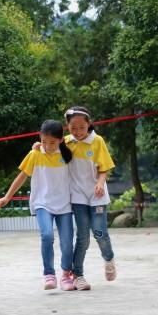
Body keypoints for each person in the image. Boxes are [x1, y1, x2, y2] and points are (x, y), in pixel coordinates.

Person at [0, 120, 75, 291]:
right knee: (47, 235)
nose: (48, 146)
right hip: (42, 203)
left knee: (67, 242)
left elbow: (79, 136)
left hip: (64, 204)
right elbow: (22, 177)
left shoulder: (67, 152)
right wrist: (7, 197)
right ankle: (49, 274)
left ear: (61, 140)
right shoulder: (35, 154)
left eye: (52, 142)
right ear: (40, 138)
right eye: (44, 141)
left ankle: (67, 274)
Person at [64, 106, 117, 290]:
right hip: (77, 196)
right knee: (83, 237)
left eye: (81, 127)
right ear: (68, 127)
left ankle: (109, 258)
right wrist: (37, 146)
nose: (78, 132)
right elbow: (48, 148)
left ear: (89, 124)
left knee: (100, 233)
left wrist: (100, 183)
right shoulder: (65, 143)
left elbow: (104, 167)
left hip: (97, 195)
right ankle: (78, 275)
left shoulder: (97, 141)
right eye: (73, 128)